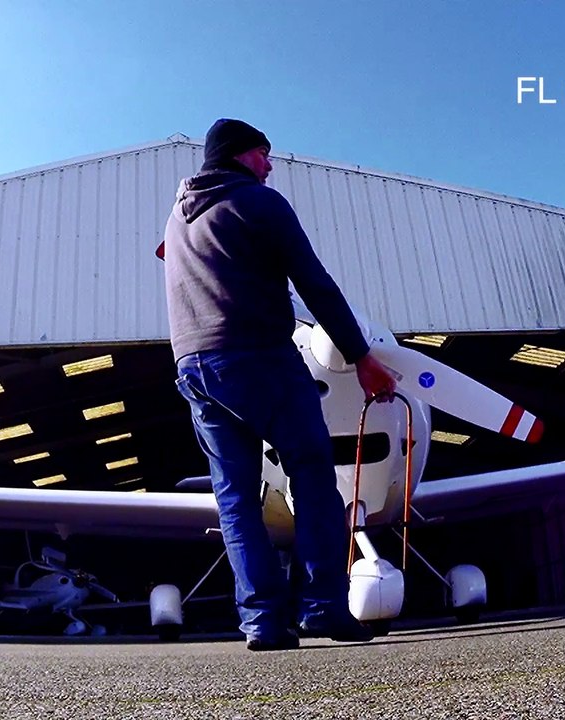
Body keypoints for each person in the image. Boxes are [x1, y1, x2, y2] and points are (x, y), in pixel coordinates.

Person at [163, 118, 398, 651]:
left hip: (195, 368)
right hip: (258, 356)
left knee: (236, 500)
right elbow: (313, 280)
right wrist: (360, 356)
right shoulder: (259, 202)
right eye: (263, 154)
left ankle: (262, 621)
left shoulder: (178, 219)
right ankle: (323, 607)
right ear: (239, 155)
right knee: (314, 474)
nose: (269, 165)